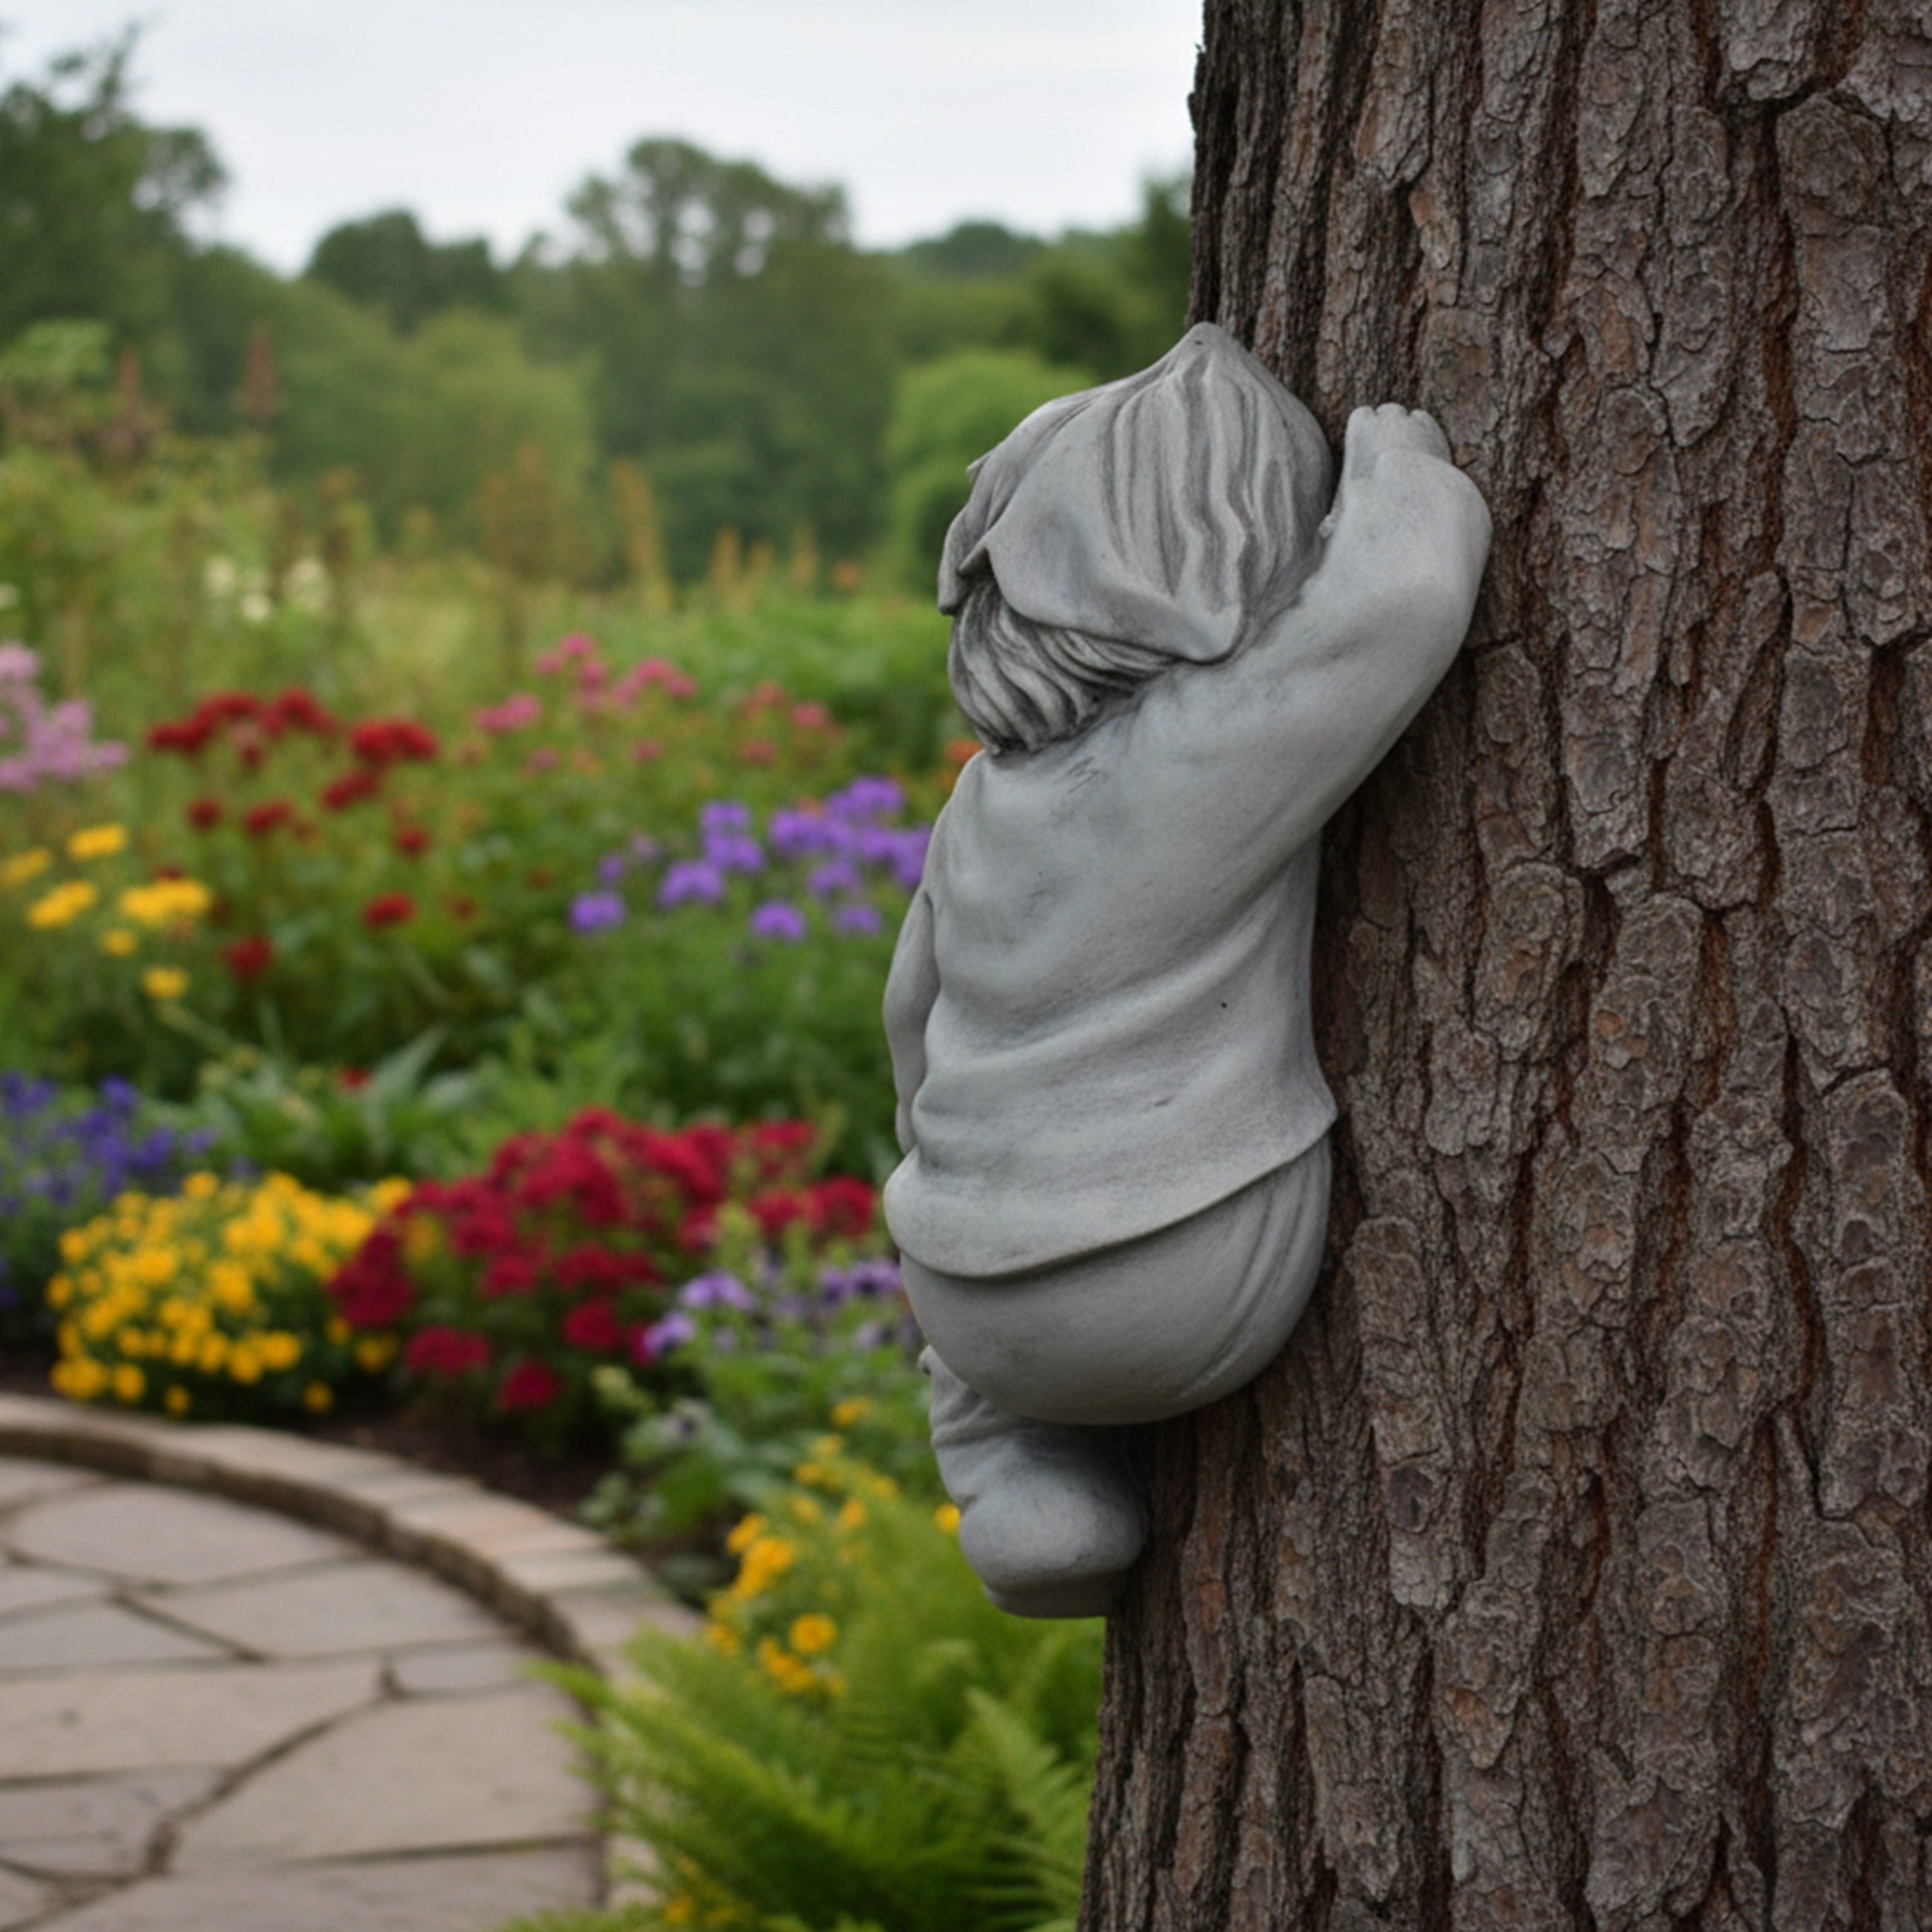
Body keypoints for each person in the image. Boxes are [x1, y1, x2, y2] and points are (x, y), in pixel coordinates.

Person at [884, 322, 1492, 1617]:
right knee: (1094, 1278)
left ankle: (1012, 1475)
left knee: (984, 1343)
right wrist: (1400, 473)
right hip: (1180, 1260)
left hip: (963, 1281)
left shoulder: (976, 812)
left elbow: (908, 1014)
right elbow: (1395, 612)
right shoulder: (1195, 755)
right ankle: (1028, 1431)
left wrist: (934, 1174)